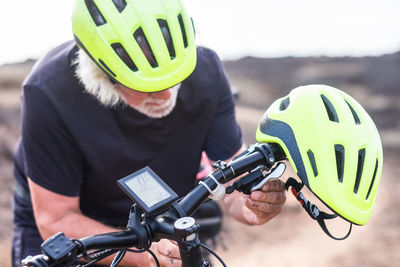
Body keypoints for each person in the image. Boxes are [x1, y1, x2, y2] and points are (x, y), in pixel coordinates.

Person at [12, 0, 286, 266]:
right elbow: (55, 219)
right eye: (147, 85)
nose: (166, 94)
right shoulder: (49, 92)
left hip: (160, 217)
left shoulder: (206, 71)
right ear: (102, 73)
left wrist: (254, 204)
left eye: (174, 77)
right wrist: (144, 257)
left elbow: (232, 185)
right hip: (73, 222)